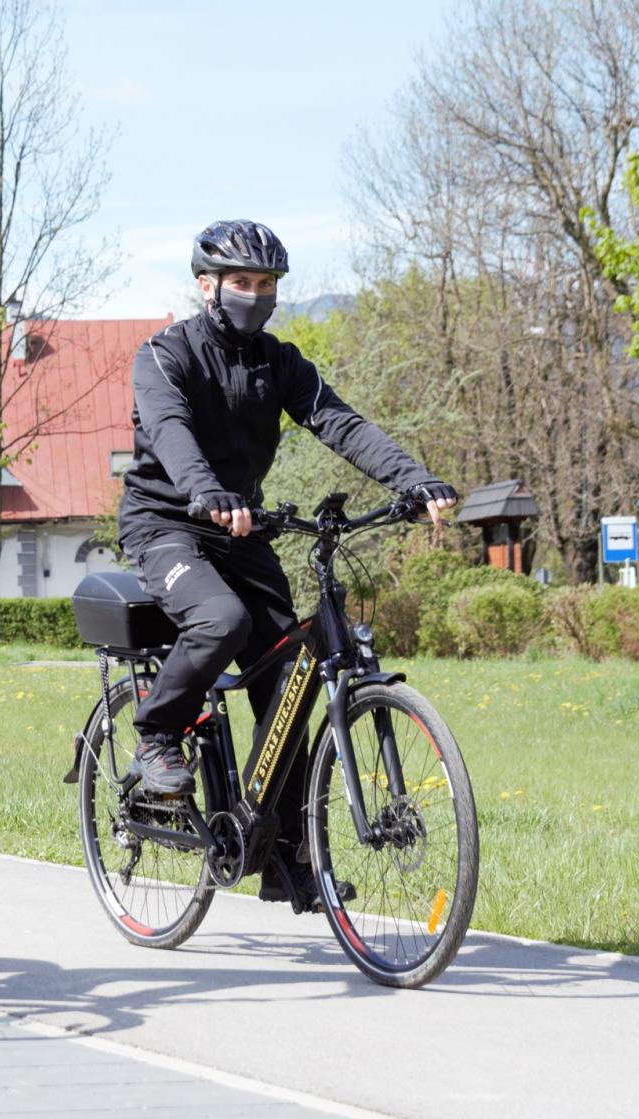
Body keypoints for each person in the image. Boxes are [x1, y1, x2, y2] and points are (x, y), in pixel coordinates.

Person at [117, 219, 456, 907]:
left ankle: (285, 857)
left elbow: (340, 422)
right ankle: (156, 732)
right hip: (168, 524)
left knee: (291, 685)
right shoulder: (164, 356)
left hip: (243, 528)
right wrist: (205, 491)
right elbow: (172, 433)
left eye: (267, 284)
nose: (255, 294)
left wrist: (411, 479)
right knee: (222, 619)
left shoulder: (281, 362)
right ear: (205, 284)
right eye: (242, 282)